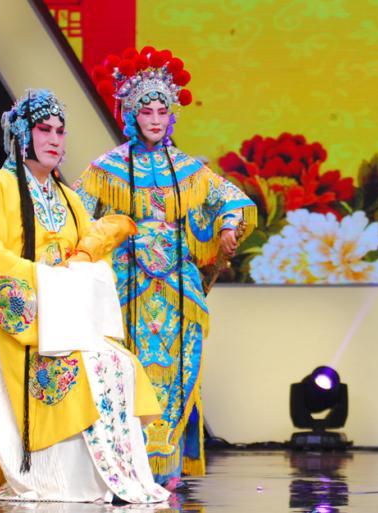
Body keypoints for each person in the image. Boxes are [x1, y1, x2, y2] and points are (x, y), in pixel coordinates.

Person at [0, 89, 169, 503]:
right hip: (23, 316)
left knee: (117, 363)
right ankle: (57, 480)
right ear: (22, 134)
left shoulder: (69, 199)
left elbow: (84, 258)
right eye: (44, 130)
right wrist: (42, 281)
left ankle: (112, 478)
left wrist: (81, 271)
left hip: (64, 314)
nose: (56, 139)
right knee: (78, 366)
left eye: (60, 131)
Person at [74, 46, 256, 488]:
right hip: (128, 286)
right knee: (126, 370)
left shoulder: (189, 169)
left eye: (162, 111)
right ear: (131, 115)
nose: (155, 119)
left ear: (171, 115)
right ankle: (126, 462)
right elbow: (75, 214)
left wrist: (229, 226)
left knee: (179, 368)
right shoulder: (108, 168)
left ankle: (166, 462)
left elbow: (230, 201)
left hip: (177, 289)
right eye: (146, 111)